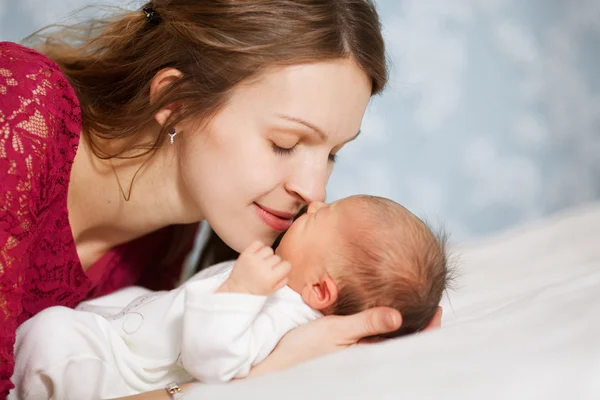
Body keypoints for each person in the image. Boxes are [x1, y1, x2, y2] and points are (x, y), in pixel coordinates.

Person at [0, 1, 442, 398]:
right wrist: (256, 380)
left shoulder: (172, 238)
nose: (315, 192)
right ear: (175, 101)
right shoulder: (19, 114)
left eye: (332, 155)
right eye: (284, 142)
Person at [11, 195, 449, 399]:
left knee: (51, 333)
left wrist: (242, 291)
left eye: (321, 218)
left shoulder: (287, 319)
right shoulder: (283, 289)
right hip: (128, 337)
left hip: (113, 370)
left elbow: (214, 360)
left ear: (319, 289)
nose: (313, 205)